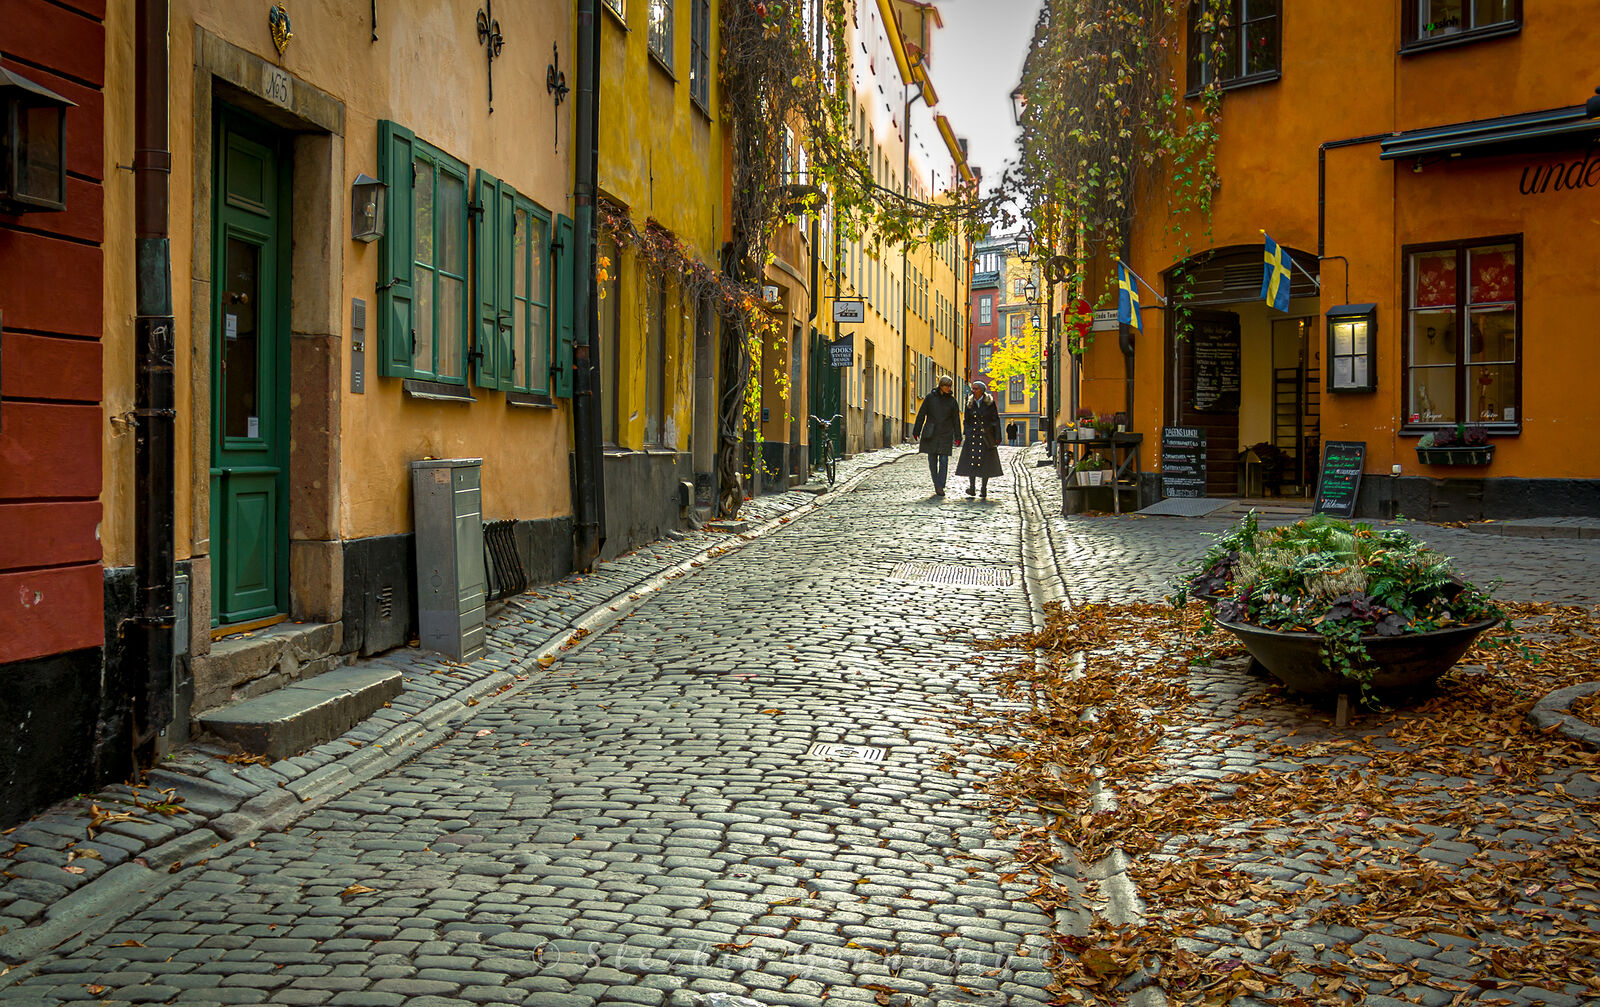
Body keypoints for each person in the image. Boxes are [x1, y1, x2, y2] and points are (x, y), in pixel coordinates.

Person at [911, 375, 961, 497]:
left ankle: (940, 485)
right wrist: (916, 430)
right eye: (947, 386)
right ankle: (936, 483)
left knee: (944, 460)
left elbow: (956, 420)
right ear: (941, 386)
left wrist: (958, 437)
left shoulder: (952, 401)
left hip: (946, 434)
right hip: (931, 433)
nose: (949, 388)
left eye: (950, 386)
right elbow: (921, 414)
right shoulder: (930, 398)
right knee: (932, 461)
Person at [956, 380, 1003, 499]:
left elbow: (995, 420)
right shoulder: (969, 403)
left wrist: (997, 436)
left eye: (976, 389)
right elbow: (966, 420)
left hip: (985, 436)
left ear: (982, 391)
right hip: (973, 436)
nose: (973, 390)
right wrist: (967, 432)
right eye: (973, 388)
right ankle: (972, 488)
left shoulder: (989, 403)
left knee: (985, 463)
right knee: (971, 462)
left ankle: (983, 488)